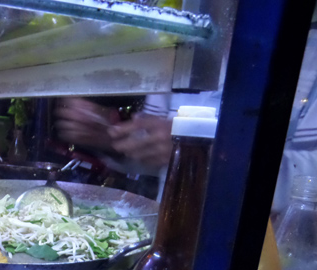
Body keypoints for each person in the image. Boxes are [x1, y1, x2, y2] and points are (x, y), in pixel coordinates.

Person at [55, 13, 317, 212]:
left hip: (265, 259)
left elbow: (310, 177)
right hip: (175, 231)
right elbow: (156, 160)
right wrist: (109, 138)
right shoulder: (185, 47)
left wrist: (201, 152)